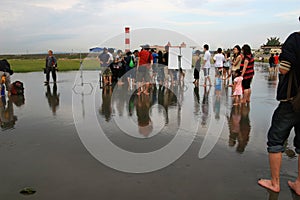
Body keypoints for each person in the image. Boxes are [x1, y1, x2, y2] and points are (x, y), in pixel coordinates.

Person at [258, 31, 300, 194]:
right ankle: (299, 184)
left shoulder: (296, 39)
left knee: (276, 139)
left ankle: (275, 183)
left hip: (292, 100)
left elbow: (283, 69)